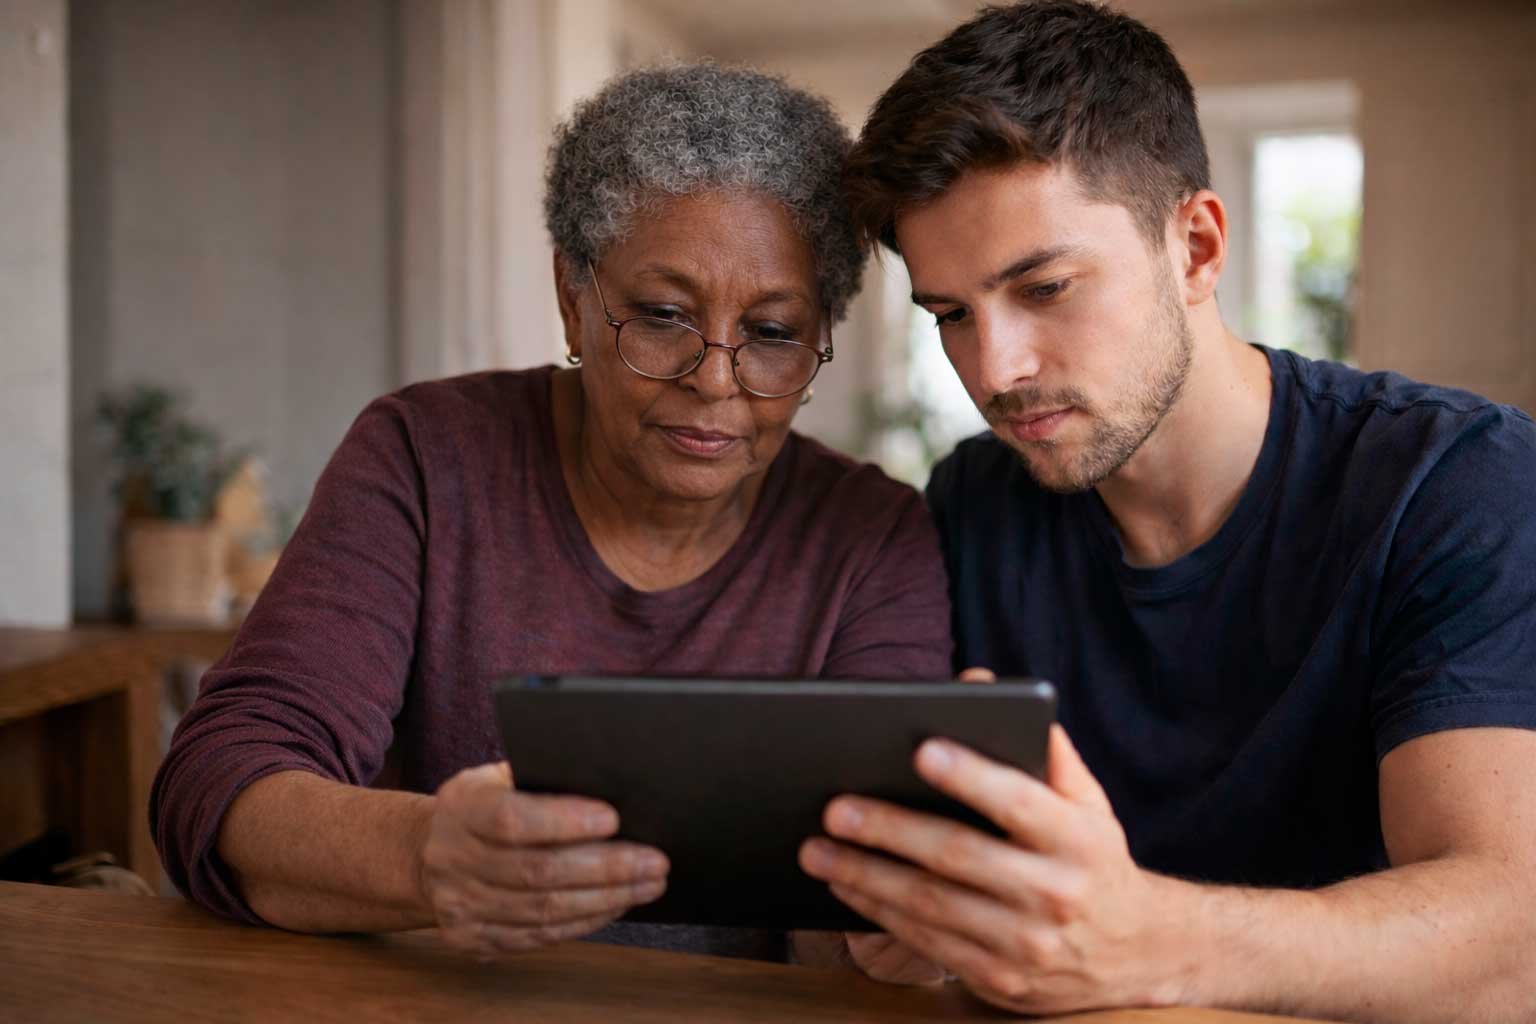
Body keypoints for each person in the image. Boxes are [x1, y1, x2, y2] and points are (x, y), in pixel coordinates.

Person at [795, 2, 1536, 1019]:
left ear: (1194, 247)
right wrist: (911, 928)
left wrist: (1149, 940)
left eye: (1046, 287)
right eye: (952, 316)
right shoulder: (974, 503)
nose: (994, 368)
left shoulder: (1453, 480)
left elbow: (1512, 937)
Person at [152, 63, 952, 965]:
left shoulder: (871, 536)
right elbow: (218, 781)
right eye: (661, 316)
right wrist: (426, 859)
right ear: (574, 300)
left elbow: (841, 937)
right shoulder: (426, 456)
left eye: (773, 335)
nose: (715, 381)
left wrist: (890, 936)